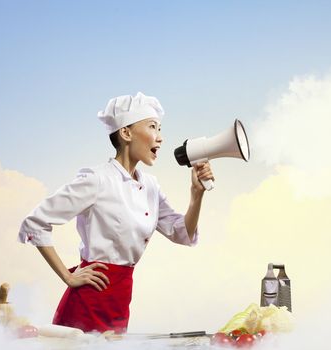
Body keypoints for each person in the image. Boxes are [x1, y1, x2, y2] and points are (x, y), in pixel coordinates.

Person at [17, 92, 214, 334]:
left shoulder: (150, 185)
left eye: (160, 128)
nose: (160, 138)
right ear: (126, 133)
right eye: (152, 127)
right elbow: (35, 223)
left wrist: (197, 195)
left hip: (120, 301)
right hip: (87, 304)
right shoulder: (97, 179)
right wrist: (68, 277)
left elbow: (182, 234)